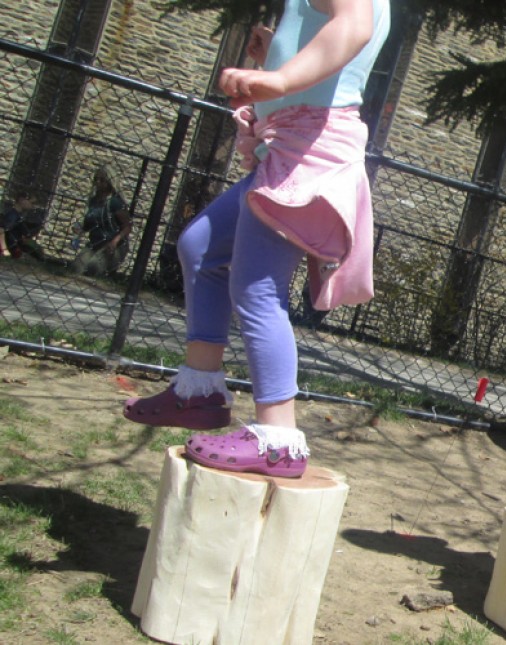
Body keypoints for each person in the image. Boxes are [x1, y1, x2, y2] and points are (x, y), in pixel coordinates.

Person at [121, 0, 390, 478]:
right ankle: (199, 390)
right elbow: (334, 50)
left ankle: (279, 438)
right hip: (288, 143)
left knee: (257, 289)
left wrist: (281, 80)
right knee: (201, 247)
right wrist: (274, 61)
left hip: (307, 152)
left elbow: (354, 25)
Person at [71, 167, 131, 276]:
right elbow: (89, 225)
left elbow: (127, 226)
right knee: (77, 267)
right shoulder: (94, 201)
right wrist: (80, 229)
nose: (98, 182)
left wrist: (114, 242)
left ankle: (108, 271)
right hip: (95, 243)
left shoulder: (114, 202)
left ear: (109, 182)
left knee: (93, 268)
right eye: (96, 179)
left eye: (102, 180)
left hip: (112, 244)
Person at [1, 189, 46, 261]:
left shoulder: (18, 215)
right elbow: (2, 230)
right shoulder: (12, 215)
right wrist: (4, 249)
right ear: (21, 200)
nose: (33, 205)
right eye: (31, 202)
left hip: (16, 243)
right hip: (10, 245)